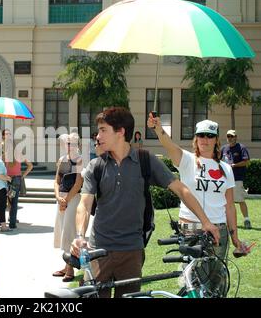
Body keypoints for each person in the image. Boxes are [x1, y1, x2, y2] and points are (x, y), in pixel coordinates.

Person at [70, 107, 220, 298]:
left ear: (121, 131)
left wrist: (206, 222)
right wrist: (79, 235)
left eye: (103, 130)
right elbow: (84, 204)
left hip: (132, 250)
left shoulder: (145, 160)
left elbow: (181, 189)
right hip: (99, 250)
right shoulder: (95, 166)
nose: (97, 136)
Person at [148, 115, 245, 291]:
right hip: (191, 228)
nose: (205, 139)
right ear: (196, 138)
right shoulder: (186, 160)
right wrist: (158, 129)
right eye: (201, 135)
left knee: (216, 280)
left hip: (219, 230)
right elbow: (168, 144)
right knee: (193, 279)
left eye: (209, 135)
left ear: (216, 140)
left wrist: (235, 236)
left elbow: (229, 206)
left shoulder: (226, 168)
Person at [53, 133, 83, 283]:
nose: (69, 145)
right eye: (67, 143)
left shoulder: (79, 160)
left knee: (69, 232)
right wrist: (59, 198)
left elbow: (78, 183)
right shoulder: (61, 160)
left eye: (72, 143)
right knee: (62, 231)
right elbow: (57, 181)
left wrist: (66, 200)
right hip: (62, 200)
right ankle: (66, 266)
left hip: (74, 199)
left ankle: (70, 269)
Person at [2, 129, 33, 229]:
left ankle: (0, 220)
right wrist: (23, 175)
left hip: (6, 179)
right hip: (16, 179)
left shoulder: (4, 154)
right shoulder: (19, 153)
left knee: (5, 200)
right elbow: (30, 165)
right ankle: (12, 222)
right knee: (14, 201)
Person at [221, 130, 252, 229]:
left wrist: (235, 165)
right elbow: (218, 159)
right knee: (225, 201)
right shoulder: (224, 148)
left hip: (237, 178)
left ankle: (247, 220)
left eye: (232, 136)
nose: (230, 138)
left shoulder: (241, 148)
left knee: (240, 200)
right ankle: (225, 221)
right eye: (228, 136)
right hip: (225, 179)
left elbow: (246, 161)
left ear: (236, 137)